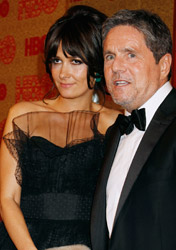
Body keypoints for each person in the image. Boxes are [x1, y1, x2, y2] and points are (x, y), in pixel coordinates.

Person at [0, 5, 120, 250]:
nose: (63, 73)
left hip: (84, 244)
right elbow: (7, 199)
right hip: (21, 242)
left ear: (97, 66)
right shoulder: (23, 114)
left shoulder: (116, 123)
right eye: (57, 60)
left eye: (75, 61)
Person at [91, 9, 176, 250]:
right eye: (110, 56)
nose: (116, 67)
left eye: (130, 55)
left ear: (164, 65)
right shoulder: (114, 134)